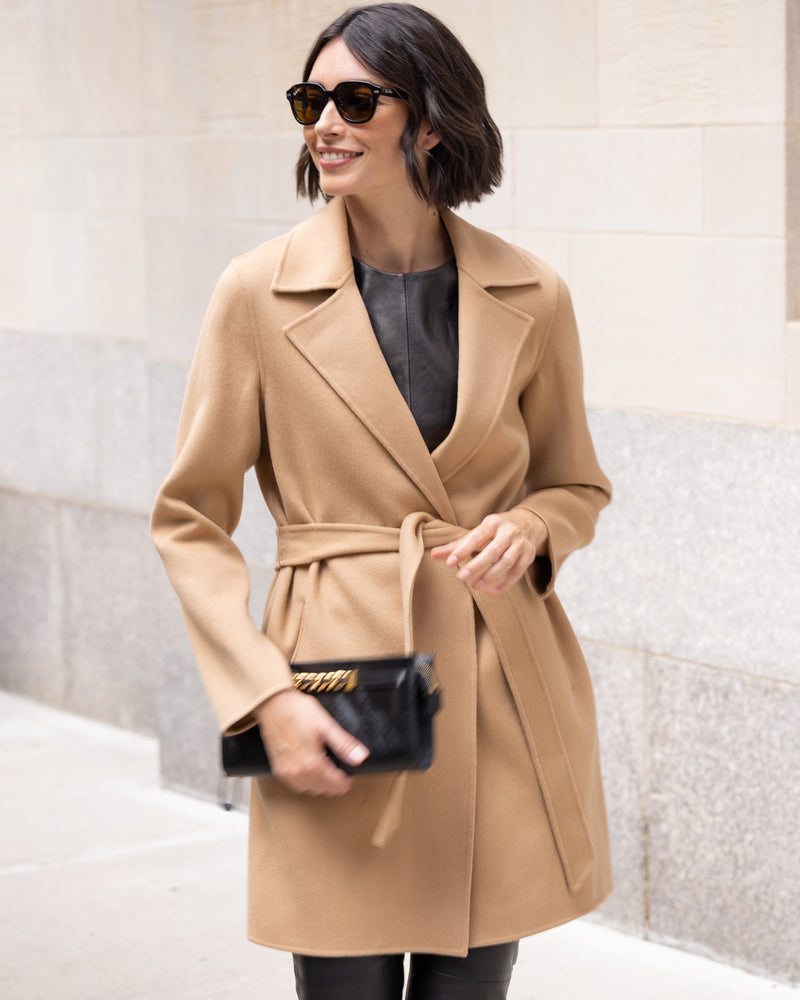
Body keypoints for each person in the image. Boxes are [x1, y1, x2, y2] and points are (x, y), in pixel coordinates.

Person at [151, 4, 613, 998]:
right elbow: (188, 517)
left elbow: (574, 482)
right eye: (309, 99)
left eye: (355, 99)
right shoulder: (255, 293)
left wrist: (531, 525)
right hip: (335, 688)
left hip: (498, 685)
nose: (324, 121)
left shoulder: (531, 295)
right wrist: (262, 696)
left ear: (432, 122)